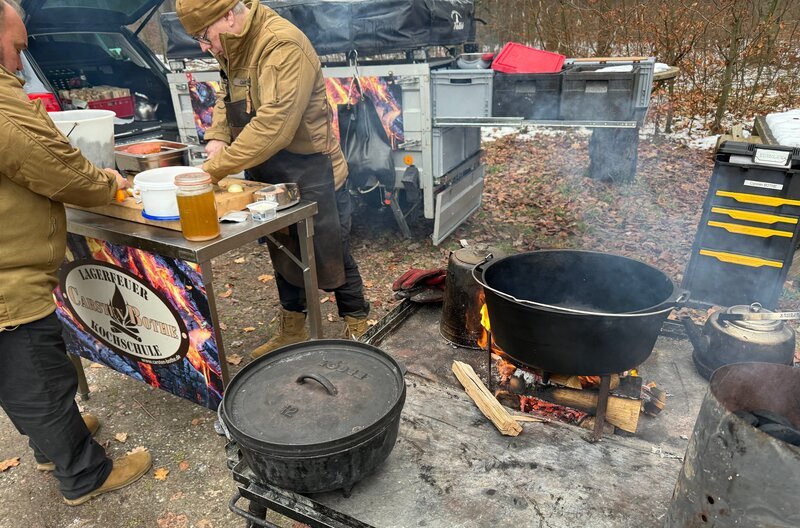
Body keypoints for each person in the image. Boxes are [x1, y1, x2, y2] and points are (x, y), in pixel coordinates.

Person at [0, 0, 152, 506]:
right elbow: (60, 169)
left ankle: (53, 441)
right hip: (7, 282)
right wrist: (106, 181)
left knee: (20, 376)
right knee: (36, 374)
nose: (21, 60)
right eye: (18, 46)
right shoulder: (2, 107)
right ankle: (82, 473)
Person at [175, 0, 371, 358]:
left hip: (312, 168)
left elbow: (274, 125)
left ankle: (357, 322)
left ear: (227, 16)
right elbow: (226, 94)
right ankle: (294, 328)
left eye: (204, 36)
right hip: (267, 170)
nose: (205, 46)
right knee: (282, 249)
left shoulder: (282, 44)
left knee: (331, 251)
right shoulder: (234, 44)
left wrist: (213, 170)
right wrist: (217, 135)